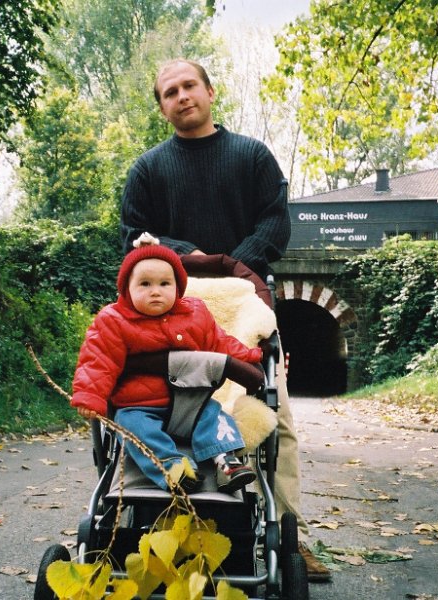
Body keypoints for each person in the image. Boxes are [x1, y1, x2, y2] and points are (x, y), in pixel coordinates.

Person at [119, 58, 332, 582]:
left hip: (246, 302)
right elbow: (134, 235)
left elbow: (274, 223)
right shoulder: (148, 170)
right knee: (143, 406)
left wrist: (233, 267)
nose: (181, 96)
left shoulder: (251, 157)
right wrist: (190, 258)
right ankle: (131, 521)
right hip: (166, 311)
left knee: (275, 418)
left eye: (189, 85)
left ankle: (289, 534)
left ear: (210, 92)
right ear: (162, 106)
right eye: (169, 92)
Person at [71, 237, 266, 494]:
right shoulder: (114, 320)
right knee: (131, 427)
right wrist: (89, 396)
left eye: (165, 284)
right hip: (138, 405)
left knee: (215, 416)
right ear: (127, 289)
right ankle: (172, 467)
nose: (155, 291)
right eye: (145, 284)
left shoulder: (195, 313)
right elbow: (98, 361)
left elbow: (220, 342)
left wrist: (249, 356)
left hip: (192, 402)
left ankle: (226, 462)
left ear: (178, 287)